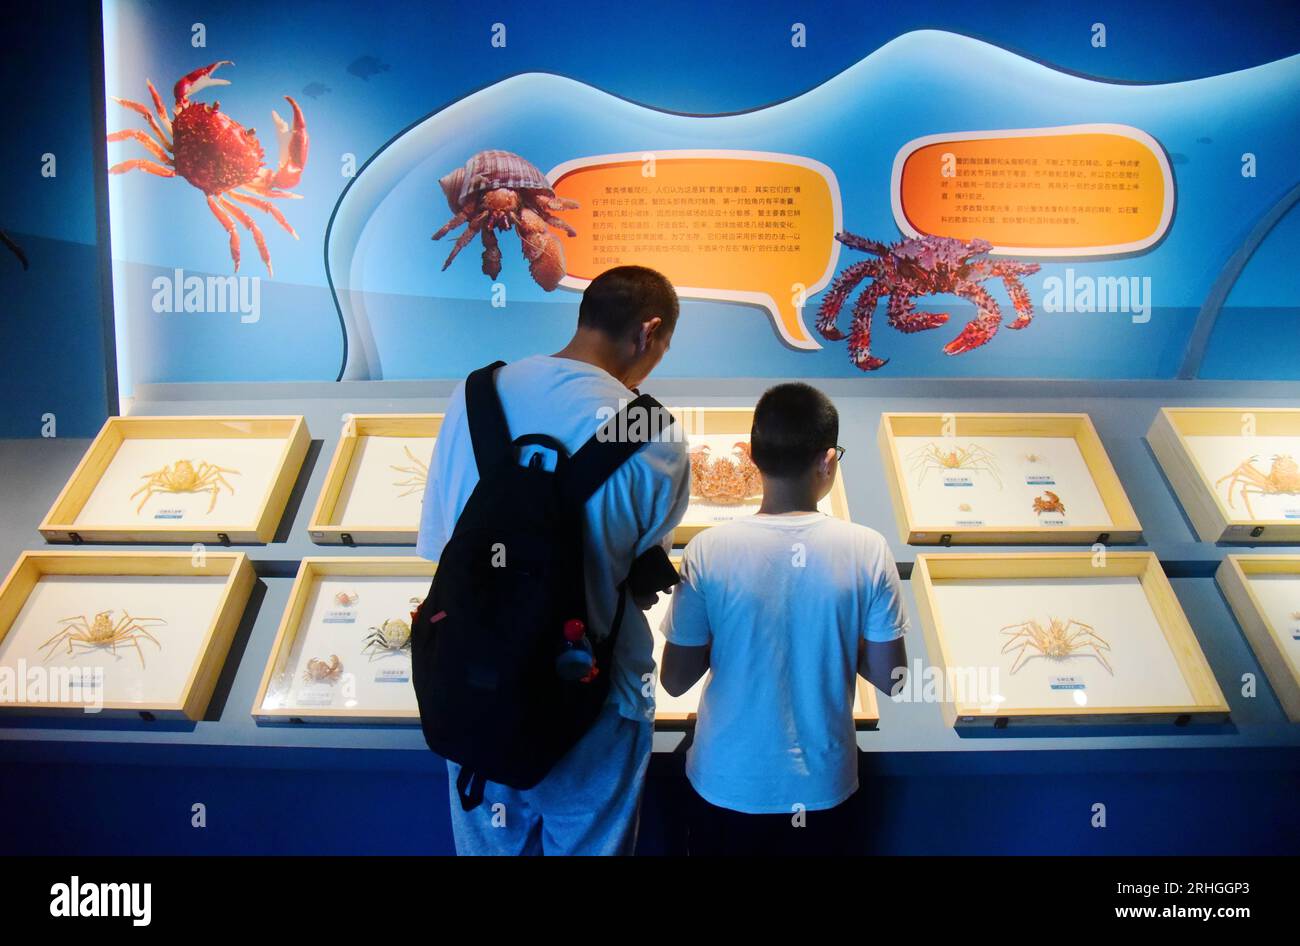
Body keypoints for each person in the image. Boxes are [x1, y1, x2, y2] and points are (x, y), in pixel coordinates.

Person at [416, 265, 690, 856]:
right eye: (662, 347)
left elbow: (442, 549)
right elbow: (641, 583)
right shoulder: (654, 434)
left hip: (475, 687)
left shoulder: (474, 396)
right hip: (590, 699)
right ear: (649, 331)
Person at [659, 382, 909, 855]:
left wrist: (730, 638)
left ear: (752, 457)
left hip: (724, 781)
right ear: (828, 460)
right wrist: (836, 634)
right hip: (824, 786)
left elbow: (674, 679)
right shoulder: (868, 550)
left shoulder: (710, 550)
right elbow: (892, 678)